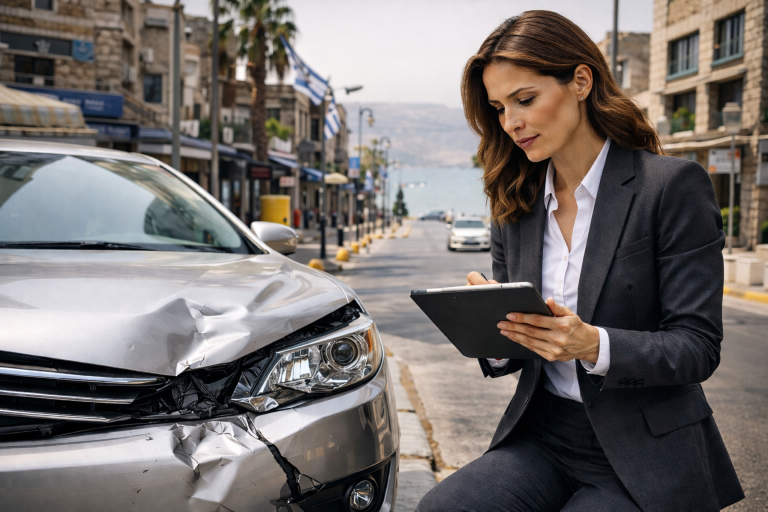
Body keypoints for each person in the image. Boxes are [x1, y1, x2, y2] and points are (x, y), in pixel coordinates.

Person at [416, 10, 743, 512]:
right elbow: (518, 349)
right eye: (500, 108)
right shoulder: (514, 203)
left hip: (644, 447)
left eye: (525, 100)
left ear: (581, 82)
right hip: (542, 437)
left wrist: (594, 344)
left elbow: (698, 347)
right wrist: (495, 333)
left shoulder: (671, 187)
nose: (512, 123)